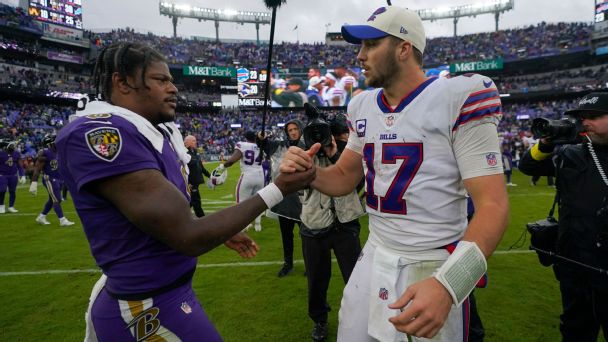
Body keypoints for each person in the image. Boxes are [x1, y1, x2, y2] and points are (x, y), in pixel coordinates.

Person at [55, 42, 314, 341]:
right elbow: (186, 235)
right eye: (161, 80)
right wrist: (278, 189)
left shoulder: (152, 131)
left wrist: (216, 229)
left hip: (168, 291)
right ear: (122, 82)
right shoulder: (102, 133)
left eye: (171, 80)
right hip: (144, 305)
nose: (173, 88)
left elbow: (167, 218)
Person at [280, 6, 509, 341]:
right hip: (375, 251)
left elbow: (494, 207)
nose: (360, 56)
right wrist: (309, 173)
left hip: (431, 260)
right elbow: (344, 176)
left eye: (371, 44)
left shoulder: (458, 96)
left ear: (404, 48)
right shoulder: (362, 106)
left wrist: (449, 285)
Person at [519, 92, 608, 342]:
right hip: (574, 262)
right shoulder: (571, 152)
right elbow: (528, 167)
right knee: (575, 329)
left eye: (594, 116)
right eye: (582, 118)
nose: (585, 122)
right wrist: (546, 142)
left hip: (606, 263)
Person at [299, 115, 364, 341]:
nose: (320, 138)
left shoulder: (347, 151)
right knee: (316, 280)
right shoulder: (302, 151)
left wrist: (334, 154)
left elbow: (358, 182)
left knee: (356, 277)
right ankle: (319, 320)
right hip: (313, 223)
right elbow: (294, 184)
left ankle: (360, 319)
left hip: (345, 224)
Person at [259, 119, 305, 277]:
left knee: (307, 235)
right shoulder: (281, 145)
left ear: (300, 129)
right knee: (286, 235)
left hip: (304, 199)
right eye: (290, 129)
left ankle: (310, 263)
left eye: (295, 129)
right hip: (286, 198)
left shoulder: (307, 144)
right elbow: (266, 146)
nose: (292, 132)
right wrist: (262, 139)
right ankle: (288, 263)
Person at [220, 131, 266, 231]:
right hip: (260, 175)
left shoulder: (243, 145)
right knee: (258, 201)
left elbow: (232, 160)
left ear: (245, 138)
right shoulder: (261, 145)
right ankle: (258, 225)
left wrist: (223, 166)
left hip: (248, 175)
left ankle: (244, 226)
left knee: (241, 203)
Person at [29, 133, 75, 226]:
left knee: (52, 199)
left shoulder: (59, 152)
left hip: (59, 178)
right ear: (51, 143)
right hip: (49, 178)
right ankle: (62, 220)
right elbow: (37, 168)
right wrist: (33, 183)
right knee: (57, 199)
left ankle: (41, 217)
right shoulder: (45, 153)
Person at [184, 135, 211, 217]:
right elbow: (182, 169)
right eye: (193, 141)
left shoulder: (195, 153)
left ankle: (179, 215)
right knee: (196, 202)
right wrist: (187, 183)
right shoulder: (184, 153)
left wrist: (211, 176)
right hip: (191, 184)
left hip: (196, 182)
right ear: (187, 142)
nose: (195, 142)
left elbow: (201, 168)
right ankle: (202, 220)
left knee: (191, 202)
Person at [0, 139, 26, 213]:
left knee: (12, 191)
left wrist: (22, 175)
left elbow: (20, 165)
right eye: (11, 145)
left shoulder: (16, 153)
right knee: (2, 190)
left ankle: (11, 206)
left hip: (13, 175)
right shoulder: (1, 153)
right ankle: (1, 206)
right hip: (2, 175)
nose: (13, 147)